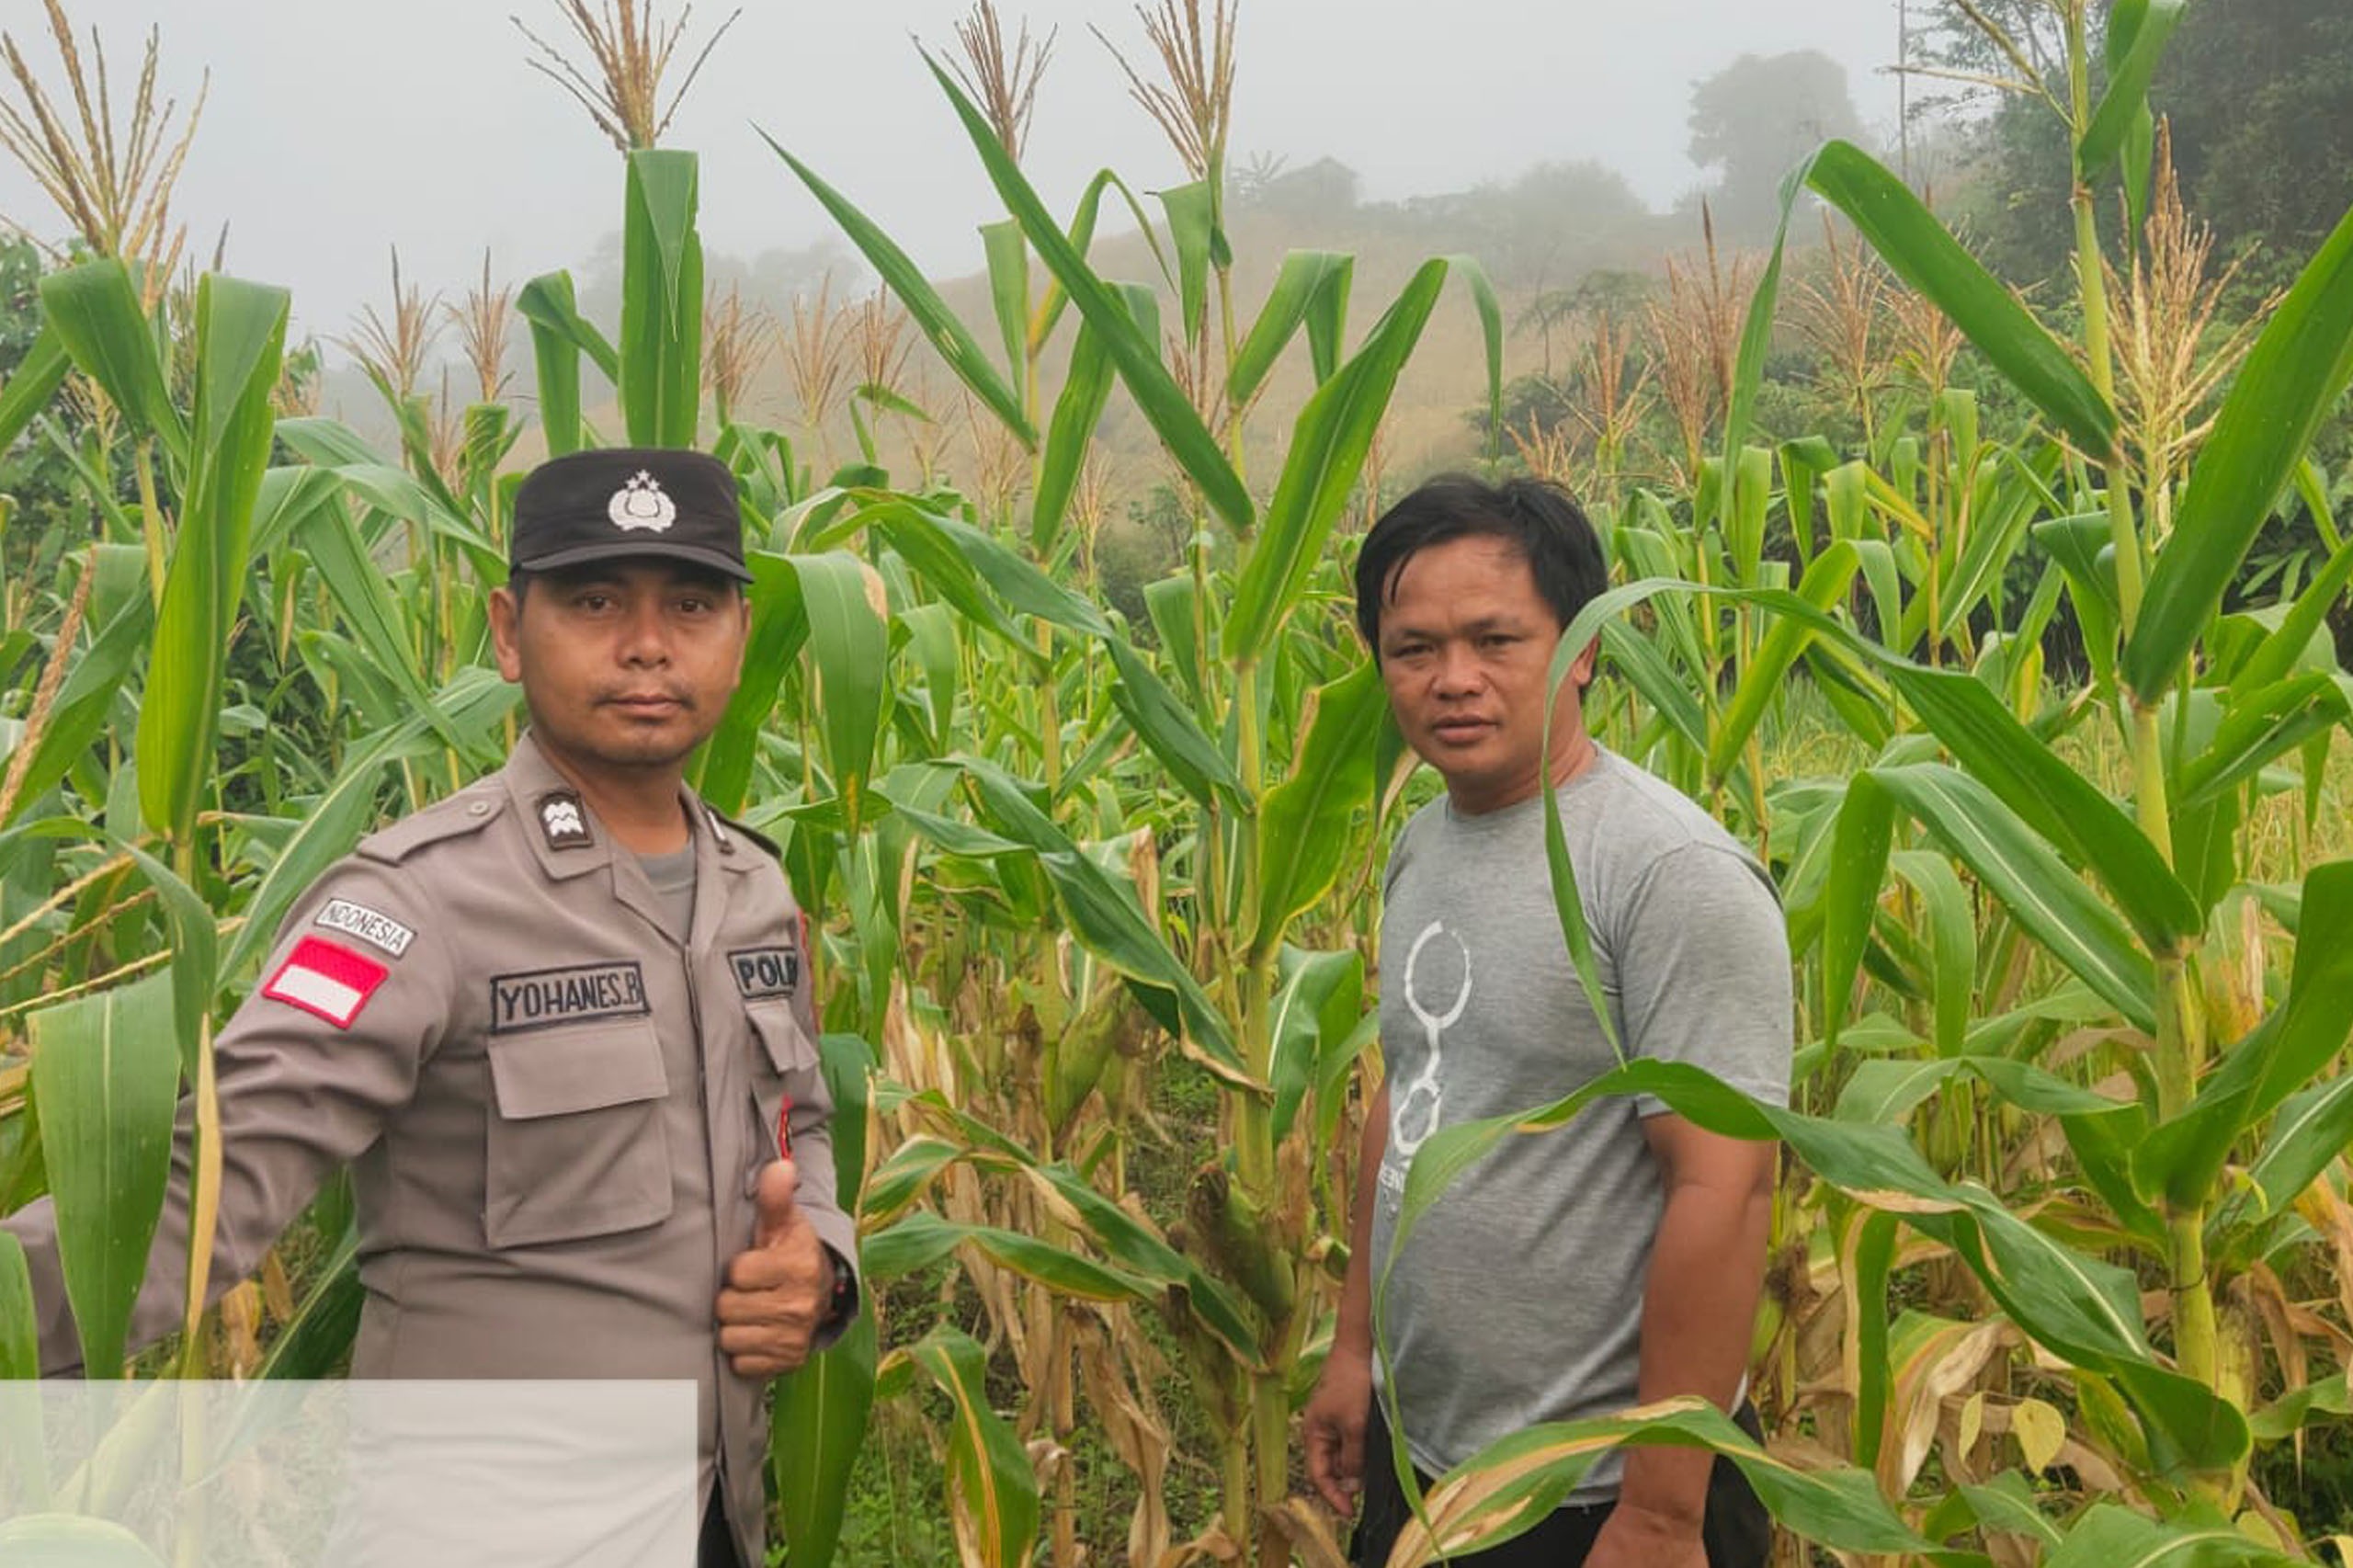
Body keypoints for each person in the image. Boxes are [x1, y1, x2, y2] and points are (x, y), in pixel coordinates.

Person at [3, 447, 857, 1568]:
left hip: (714, 1514)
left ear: (741, 636)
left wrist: (822, 1266)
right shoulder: (414, 902)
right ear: (508, 630)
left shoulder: (756, 891)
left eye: (690, 604)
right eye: (595, 600)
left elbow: (799, 1123)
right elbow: (203, 1186)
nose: (648, 643)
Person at [1301, 476, 1790, 1568]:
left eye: (1494, 639)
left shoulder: (1666, 870)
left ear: (1581, 647)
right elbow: (1416, 1091)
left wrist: (1663, 1511)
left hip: (1599, 1496)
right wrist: (1356, 1353)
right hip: (1429, 1459)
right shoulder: (1425, 841)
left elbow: (1726, 1182)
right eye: (1412, 647)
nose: (1452, 679)